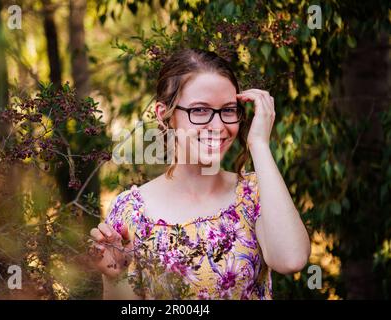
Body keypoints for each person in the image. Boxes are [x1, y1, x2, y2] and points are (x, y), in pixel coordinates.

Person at [89, 48, 311, 300]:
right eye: (200, 111)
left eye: (228, 110)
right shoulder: (130, 211)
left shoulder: (253, 192)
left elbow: (291, 259)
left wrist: (259, 143)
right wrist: (115, 276)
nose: (218, 127)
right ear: (165, 116)